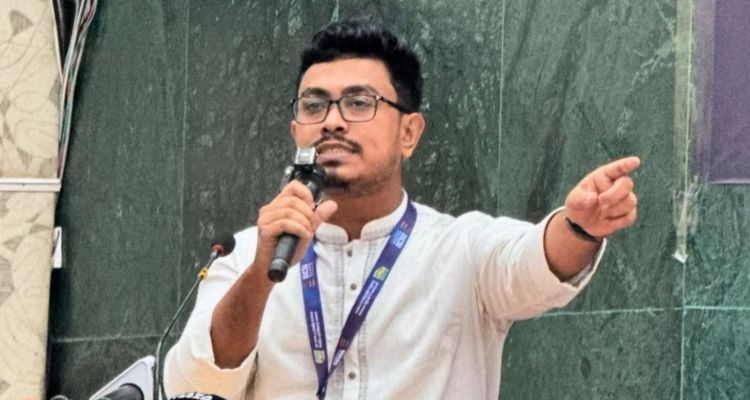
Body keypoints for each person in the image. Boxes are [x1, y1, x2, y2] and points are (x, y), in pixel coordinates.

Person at [164, 18, 640, 400]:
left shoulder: (460, 250)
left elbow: (532, 264)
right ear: (296, 133)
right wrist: (260, 275)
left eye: (358, 103)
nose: (332, 121)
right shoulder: (245, 254)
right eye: (314, 106)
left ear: (409, 133)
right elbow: (195, 383)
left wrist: (579, 226)